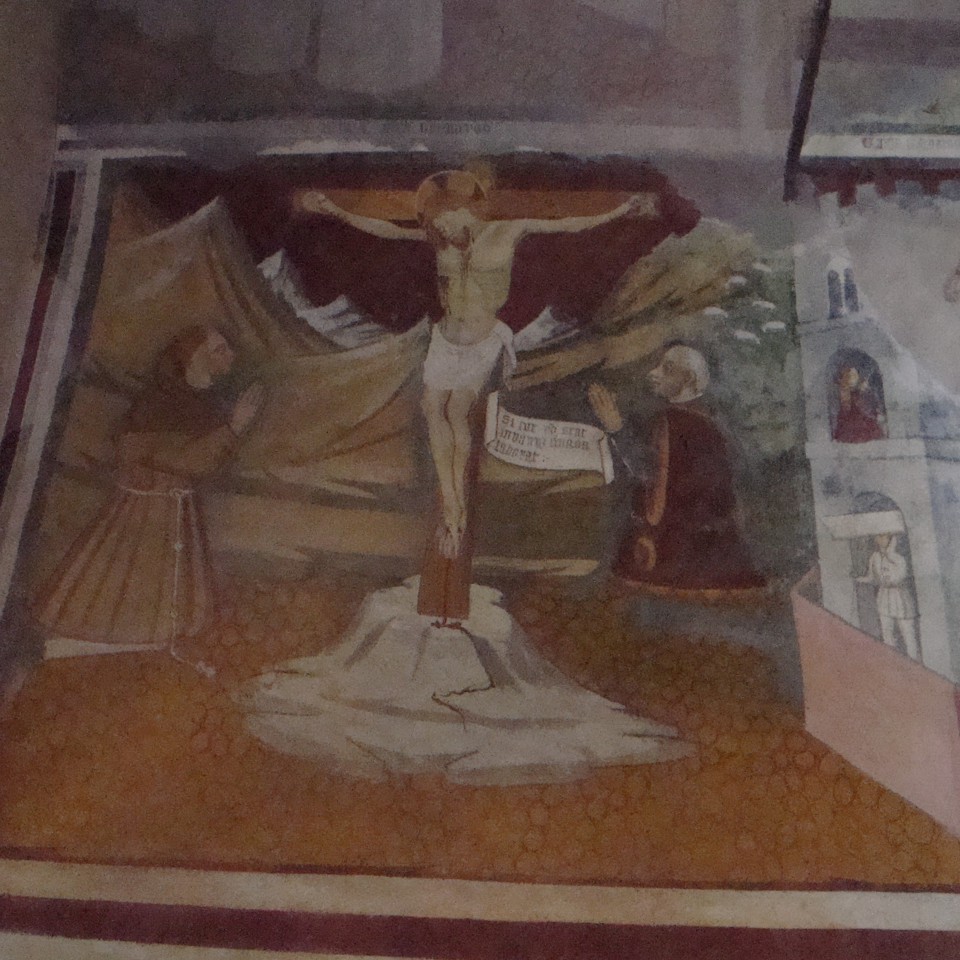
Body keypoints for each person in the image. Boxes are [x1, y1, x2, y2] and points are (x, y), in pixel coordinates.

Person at [299, 169, 657, 559]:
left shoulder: (508, 230)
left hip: (482, 342)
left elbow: (570, 223)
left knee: (456, 411)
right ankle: (451, 503)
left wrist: (620, 210)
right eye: (435, 223)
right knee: (431, 408)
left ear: (465, 209)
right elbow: (386, 229)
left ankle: (458, 514)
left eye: (445, 220)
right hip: (446, 339)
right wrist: (335, 209)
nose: (441, 229)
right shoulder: (439, 240)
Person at [32, 326, 264, 670]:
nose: (230, 355)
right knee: (116, 590)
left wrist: (229, 431)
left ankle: (157, 652)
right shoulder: (159, 402)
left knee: (175, 600)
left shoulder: (207, 403)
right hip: (145, 510)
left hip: (179, 508)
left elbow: (204, 466)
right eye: (219, 349)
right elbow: (181, 460)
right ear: (195, 358)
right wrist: (233, 429)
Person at [588, 345, 763, 590]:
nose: (653, 373)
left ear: (688, 379)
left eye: (667, 369)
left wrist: (616, 426)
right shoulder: (705, 421)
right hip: (703, 545)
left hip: (682, 550)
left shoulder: (679, 422)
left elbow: (649, 473)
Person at [857, 533, 920, 660]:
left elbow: (901, 577)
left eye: (884, 536)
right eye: (878, 536)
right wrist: (860, 579)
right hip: (884, 598)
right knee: (887, 633)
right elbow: (872, 577)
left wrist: (890, 553)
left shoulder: (898, 557)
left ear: (891, 538)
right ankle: (892, 662)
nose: (881, 540)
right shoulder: (875, 557)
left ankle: (914, 663)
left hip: (900, 598)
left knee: (908, 634)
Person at [833, 364, 885, 443]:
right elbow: (844, 411)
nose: (851, 379)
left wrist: (862, 393)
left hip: (866, 428)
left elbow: (869, 409)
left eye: (854, 376)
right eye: (848, 376)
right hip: (849, 430)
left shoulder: (865, 393)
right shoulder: (842, 393)